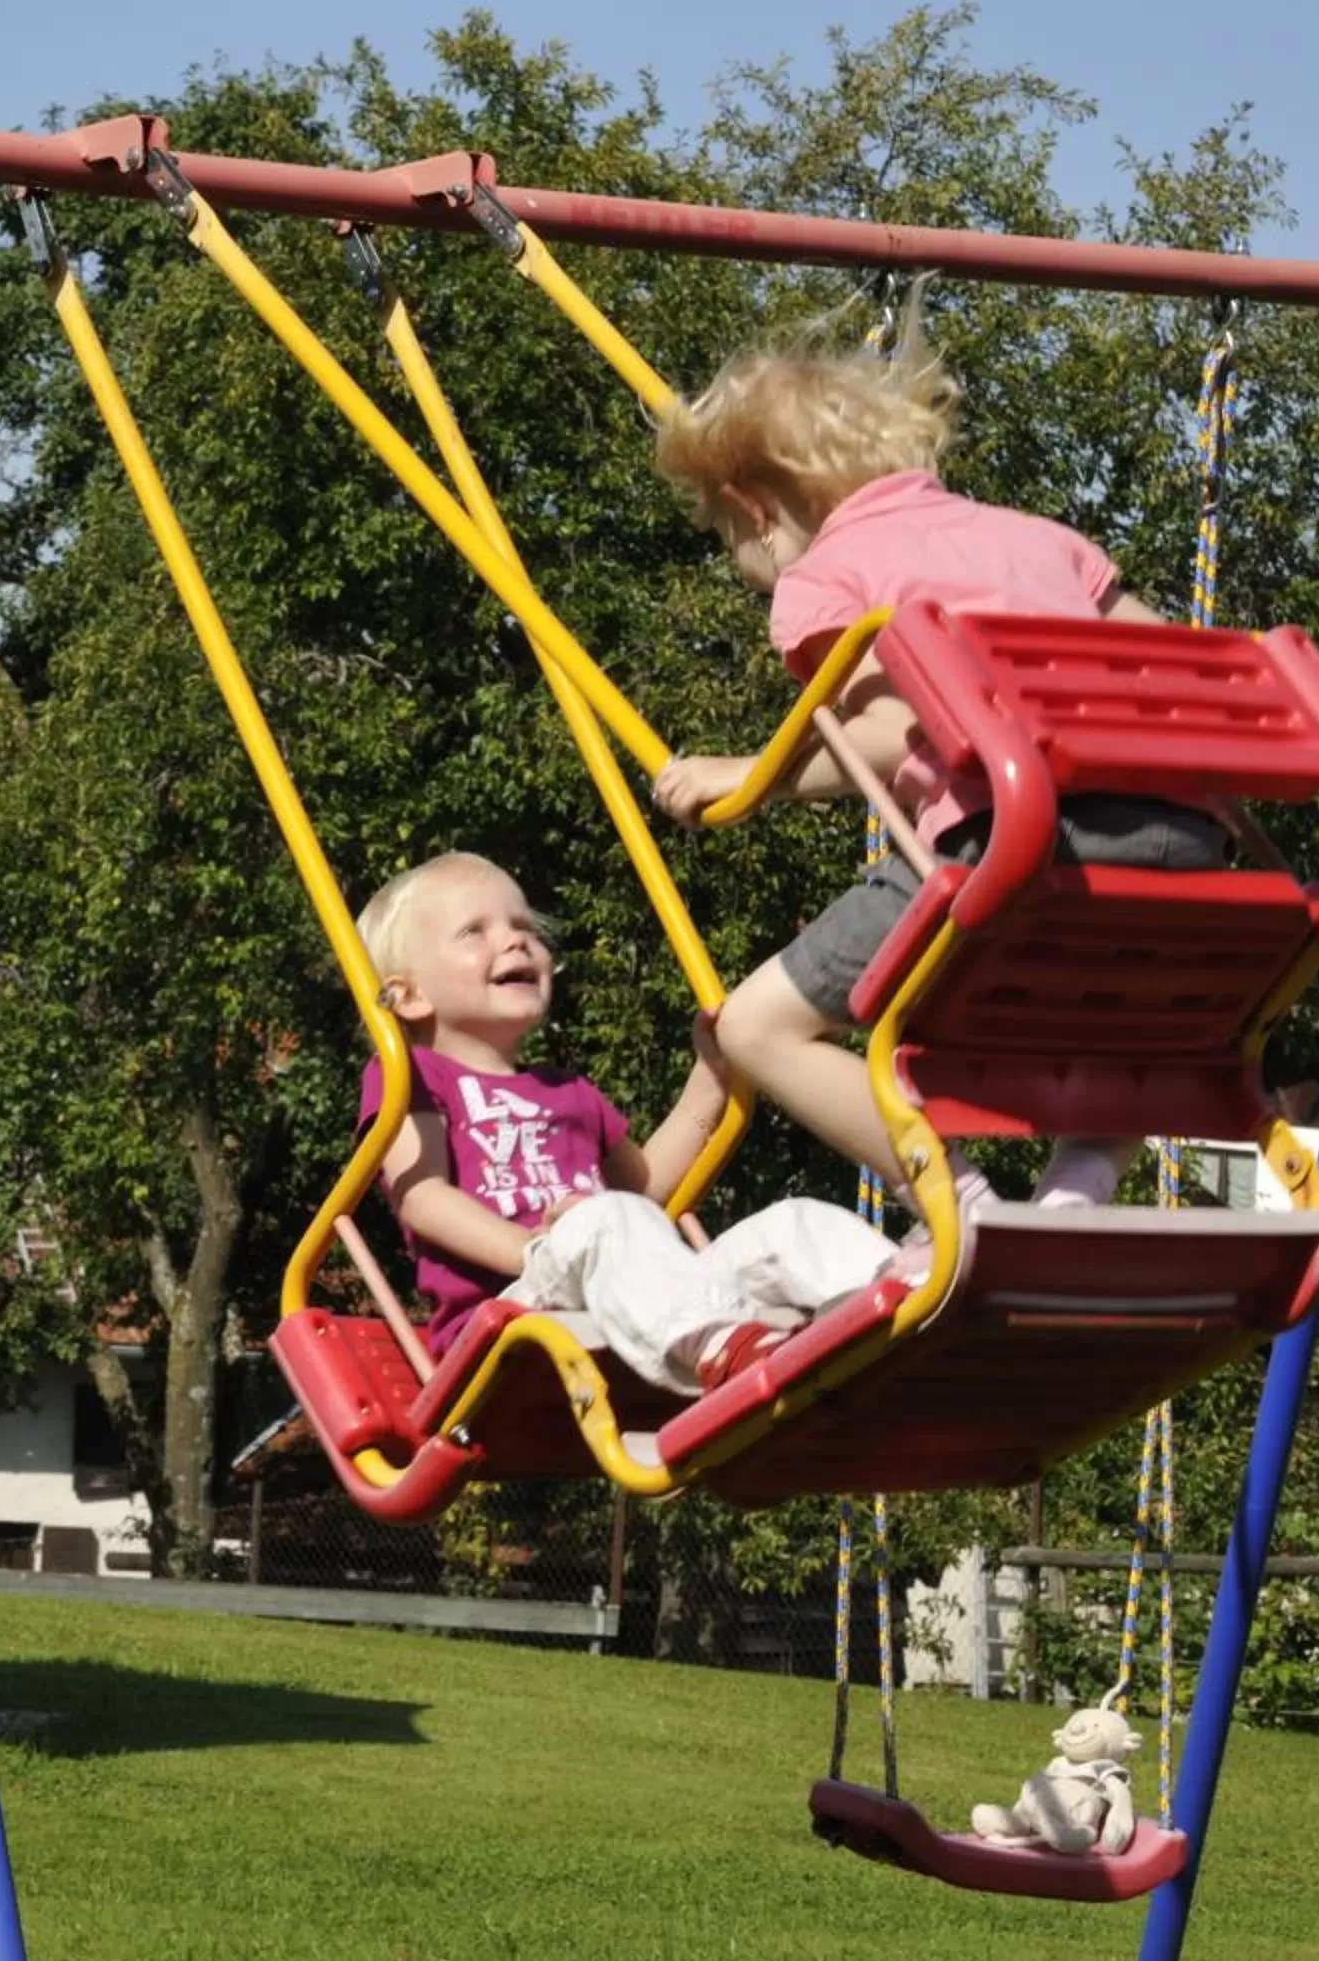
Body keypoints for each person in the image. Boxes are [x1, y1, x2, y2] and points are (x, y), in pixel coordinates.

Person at [647, 326, 1229, 1222]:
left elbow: (892, 729)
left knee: (755, 1026)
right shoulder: (1040, 538)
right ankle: (1075, 1195)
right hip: (1183, 839)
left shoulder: (828, 577)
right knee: (1127, 1029)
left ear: (753, 508)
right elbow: (1177, 669)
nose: (752, 577)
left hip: (1014, 843)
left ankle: (955, 1202)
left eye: (735, 548)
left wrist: (752, 774)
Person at [356, 852, 890, 1394]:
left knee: (792, 1224)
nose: (516, 941)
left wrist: (709, 1077)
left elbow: (646, 1189)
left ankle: (902, 1296)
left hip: (624, 1287)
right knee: (603, 1219)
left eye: (524, 927)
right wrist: (538, 1247)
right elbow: (421, 1197)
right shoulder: (411, 1076)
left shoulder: (568, 1091)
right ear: (409, 995)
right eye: (474, 931)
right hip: (513, 1307)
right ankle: (721, 1347)